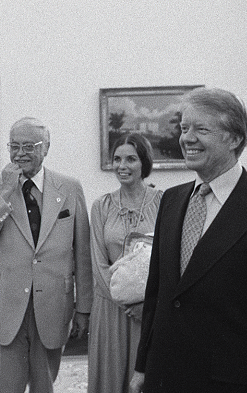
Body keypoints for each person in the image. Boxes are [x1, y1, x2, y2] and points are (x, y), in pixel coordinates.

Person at [130, 87, 247, 393]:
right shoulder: (172, 201)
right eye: (184, 128)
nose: (187, 138)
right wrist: (143, 366)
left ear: (234, 139)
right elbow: (158, 296)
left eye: (201, 129)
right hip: (164, 379)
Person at [0, 116, 93, 393]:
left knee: (44, 385)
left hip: (53, 304)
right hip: (7, 304)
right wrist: (6, 193)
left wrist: (84, 307)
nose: (20, 154)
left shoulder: (70, 187)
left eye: (28, 146)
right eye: (14, 146)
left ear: (46, 147)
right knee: (5, 387)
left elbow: (82, 251)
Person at [88, 133, 163, 393]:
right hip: (111, 308)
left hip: (150, 311)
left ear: (144, 162)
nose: (123, 166)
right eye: (117, 159)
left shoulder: (165, 203)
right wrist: (123, 298)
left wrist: (147, 303)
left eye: (131, 159)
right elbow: (97, 261)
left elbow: (170, 259)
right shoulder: (101, 206)